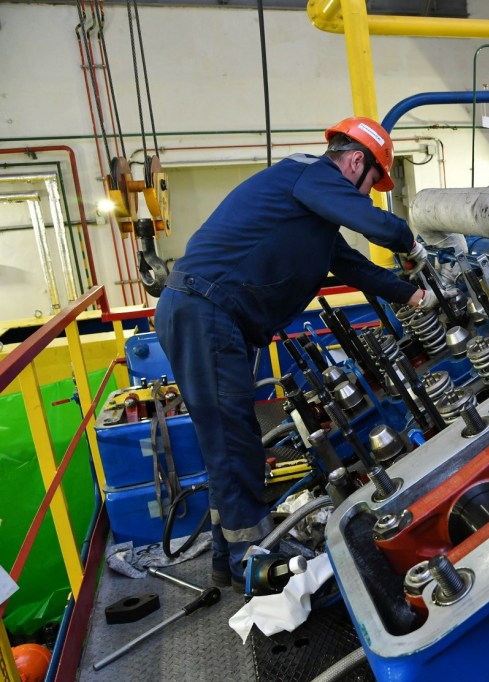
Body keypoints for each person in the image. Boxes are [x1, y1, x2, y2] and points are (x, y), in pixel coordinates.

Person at [154, 116, 436, 589]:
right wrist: (410, 245)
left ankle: (228, 559)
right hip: (206, 313)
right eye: (372, 182)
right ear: (355, 162)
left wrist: (415, 295)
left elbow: (354, 266)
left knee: (229, 440)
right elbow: (372, 223)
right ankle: (255, 564)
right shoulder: (309, 174)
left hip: (212, 317)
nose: (368, 194)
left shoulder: (312, 215)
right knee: (234, 443)